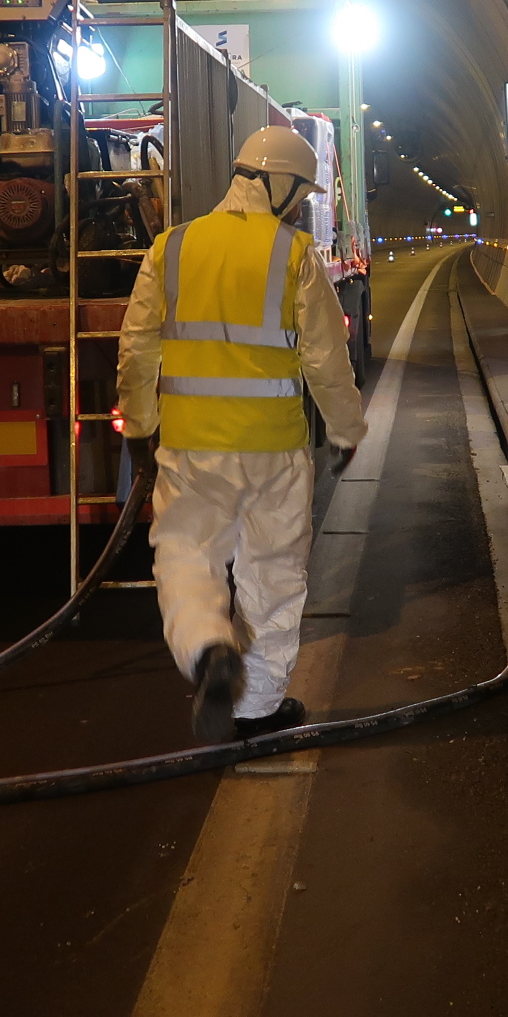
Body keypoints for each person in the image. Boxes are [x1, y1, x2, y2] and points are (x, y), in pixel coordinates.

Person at [117, 127, 368, 742]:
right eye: (298, 192)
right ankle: (258, 711)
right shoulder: (295, 254)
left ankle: (208, 650)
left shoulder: (172, 248)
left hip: (191, 449)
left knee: (185, 556)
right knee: (274, 575)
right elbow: (326, 362)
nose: (298, 204)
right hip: (276, 451)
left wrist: (140, 426)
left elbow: (136, 348)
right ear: (280, 184)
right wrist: (345, 431)